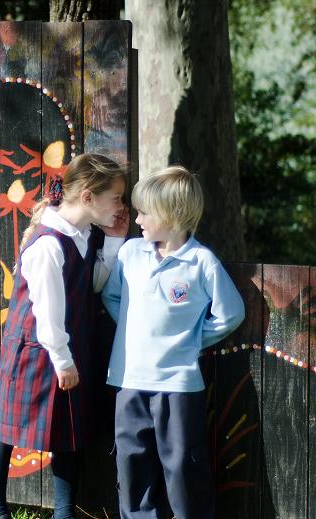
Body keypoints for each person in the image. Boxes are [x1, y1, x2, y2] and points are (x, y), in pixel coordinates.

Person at [0, 153, 129, 519]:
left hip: (66, 348)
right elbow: (48, 312)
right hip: (37, 351)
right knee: (5, 428)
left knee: (68, 431)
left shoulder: (83, 235)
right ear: (88, 198)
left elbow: (92, 282)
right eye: (117, 198)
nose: (122, 206)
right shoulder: (49, 243)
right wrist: (63, 361)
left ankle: (64, 512)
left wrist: (113, 240)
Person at [102, 166, 244, 519]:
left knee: (183, 465)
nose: (137, 219)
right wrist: (135, 329)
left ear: (173, 214)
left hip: (178, 386)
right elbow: (112, 297)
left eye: (145, 212)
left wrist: (193, 339)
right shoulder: (131, 253)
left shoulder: (201, 263)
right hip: (129, 381)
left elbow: (231, 314)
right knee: (131, 462)